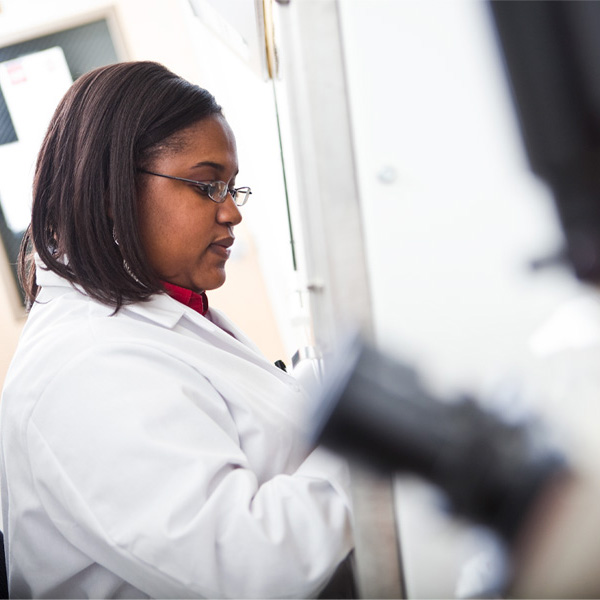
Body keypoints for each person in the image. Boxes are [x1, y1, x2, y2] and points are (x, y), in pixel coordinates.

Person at [0, 61, 353, 599]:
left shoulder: (158, 315)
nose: (232, 212)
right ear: (114, 188)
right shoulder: (88, 367)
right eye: (208, 185)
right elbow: (254, 566)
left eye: (234, 188)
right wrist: (362, 439)